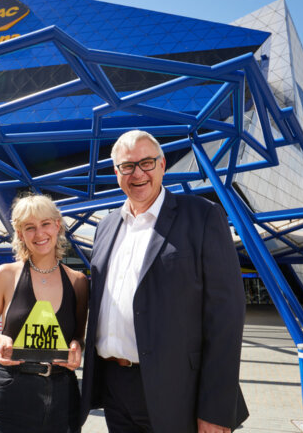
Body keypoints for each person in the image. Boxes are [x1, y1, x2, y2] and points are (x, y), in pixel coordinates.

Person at [80, 130, 248, 432]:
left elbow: (226, 318)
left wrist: (216, 409)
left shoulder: (202, 216)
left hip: (177, 389)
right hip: (114, 386)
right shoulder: (105, 227)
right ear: (116, 172)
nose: (138, 173)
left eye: (146, 162)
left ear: (162, 164)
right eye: (127, 166)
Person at [0, 193, 89, 433]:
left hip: (61, 397)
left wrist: (77, 346)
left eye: (45, 224)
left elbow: (78, 337)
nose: (39, 234)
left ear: (58, 225)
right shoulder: (5, 275)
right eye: (30, 227)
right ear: (20, 234)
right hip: (9, 394)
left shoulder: (78, 282)